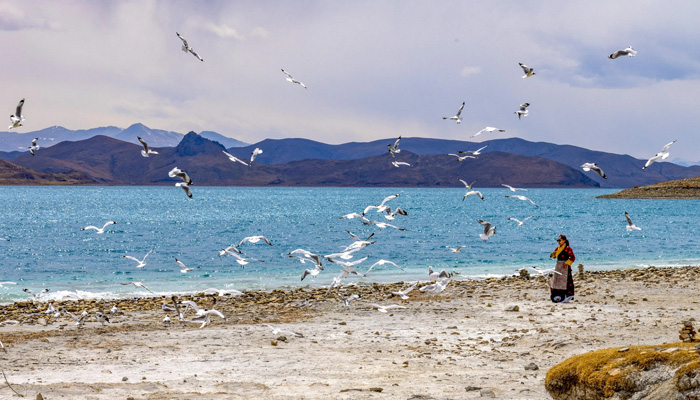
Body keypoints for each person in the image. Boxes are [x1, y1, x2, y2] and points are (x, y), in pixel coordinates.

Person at [549, 234, 575, 303]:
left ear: (564, 240)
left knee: (566, 281)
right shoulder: (557, 248)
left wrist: (566, 263)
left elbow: (572, 257)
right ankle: (557, 296)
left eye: (559, 240)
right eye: (557, 240)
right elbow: (553, 257)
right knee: (557, 281)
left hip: (565, 267)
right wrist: (553, 254)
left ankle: (567, 296)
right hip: (558, 266)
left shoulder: (568, 248)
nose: (558, 242)